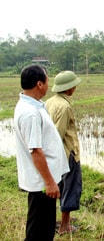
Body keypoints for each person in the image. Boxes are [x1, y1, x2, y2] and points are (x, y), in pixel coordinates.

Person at [13, 64, 70, 241]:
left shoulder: (35, 106)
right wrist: (50, 183)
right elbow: (36, 151)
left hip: (43, 181)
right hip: (41, 183)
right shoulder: (30, 113)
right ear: (39, 84)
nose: (48, 83)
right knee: (38, 232)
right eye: (47, 79)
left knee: (43, 228)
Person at [45, 71, 82, 235]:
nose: (75, 87)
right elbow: (57, 134)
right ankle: (64, 226)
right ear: (69, 88)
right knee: (71, 187)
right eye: (74, 85)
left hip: (55, 156)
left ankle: (52, 222)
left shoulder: (50, 102)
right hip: (68, 153)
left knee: (58, 187)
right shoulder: (65, 106)